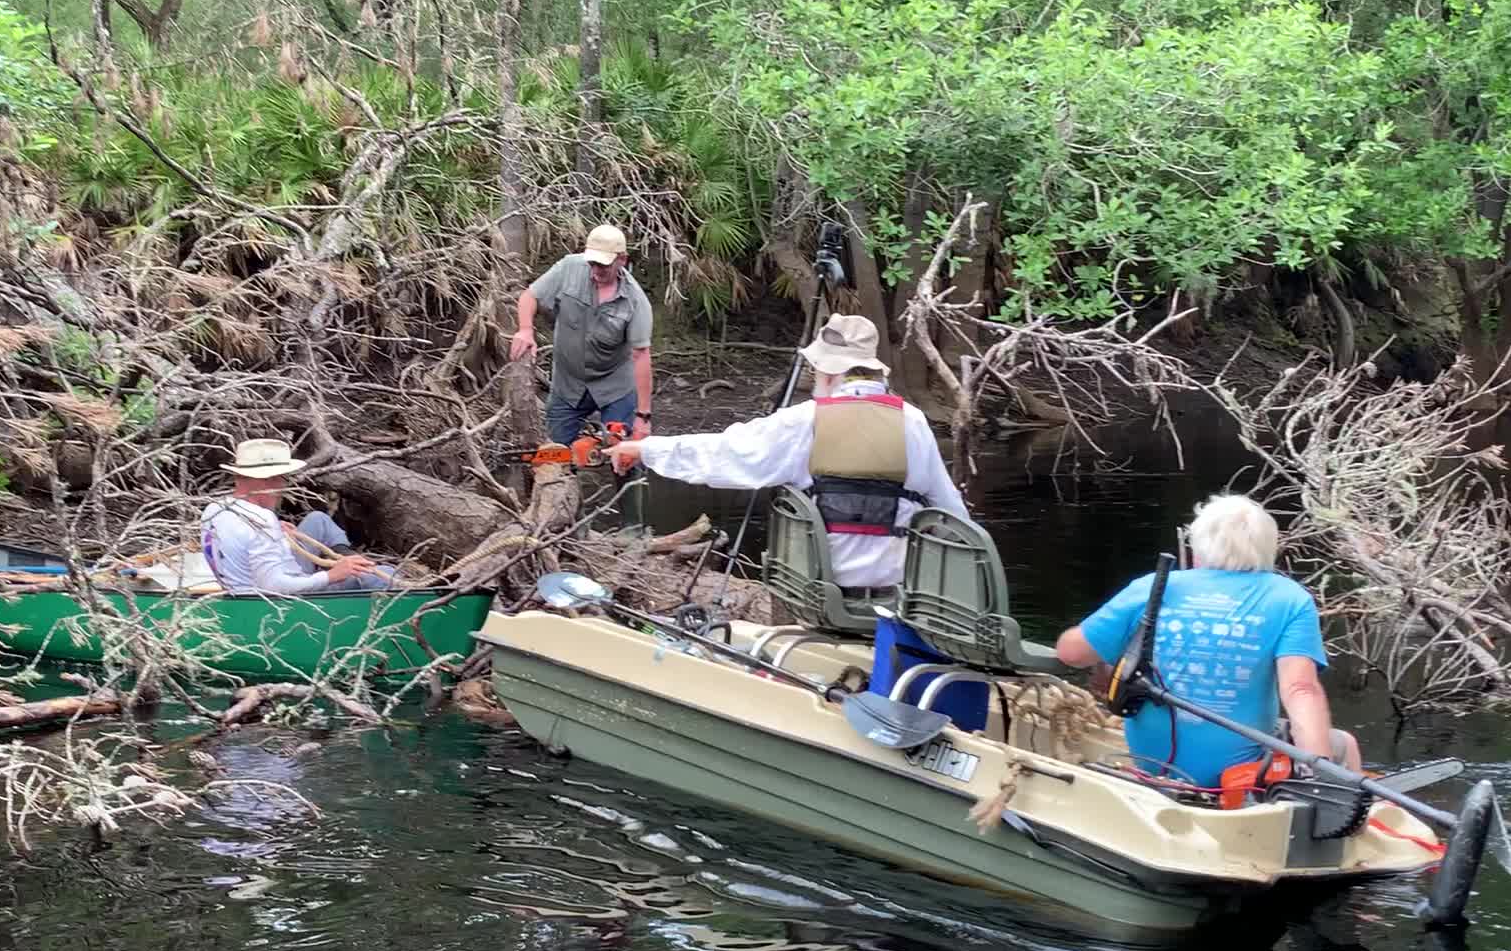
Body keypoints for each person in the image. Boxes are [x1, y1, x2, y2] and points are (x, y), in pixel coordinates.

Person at [605, 313, 967, 590]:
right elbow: (951, 511)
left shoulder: (806, 420)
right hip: (899, 588)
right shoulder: (914, 422)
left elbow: (726, 453)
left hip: (820, 588)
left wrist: (645, 449)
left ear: (828, 371)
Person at [1054, 494, 1361, 787]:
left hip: (1150, 762)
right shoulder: (1289, 599)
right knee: (1344, 744)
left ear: (1198, 547)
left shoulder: (1154, 587)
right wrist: (1320, 772)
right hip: (1239, 772)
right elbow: (1299, 689)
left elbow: (1071, 652)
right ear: (1268, 548)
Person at [511, 224, 655, 445]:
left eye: (603, 265)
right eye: (592, 263)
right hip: (567, 385)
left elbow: (641, 356)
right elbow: (530, 296)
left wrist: (643, 416)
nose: (596, 270)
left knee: (626, 458)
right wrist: (526, 330)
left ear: (622, 260)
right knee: (554, 454)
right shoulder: (568, 268)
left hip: (615, 387)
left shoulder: (635, 301)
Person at [200, 438, 392, 594]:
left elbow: (249, 545)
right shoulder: (261, 520)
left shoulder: (214, 509)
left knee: (318, 520)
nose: (284, 486)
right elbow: (275, 587)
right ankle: (355, 570)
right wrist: (331, 576)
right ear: (270, 480)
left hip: (250, 585)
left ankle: (352, 560)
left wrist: (278, 538)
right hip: (283, 602)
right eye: (283, 478)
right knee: (383, 574)